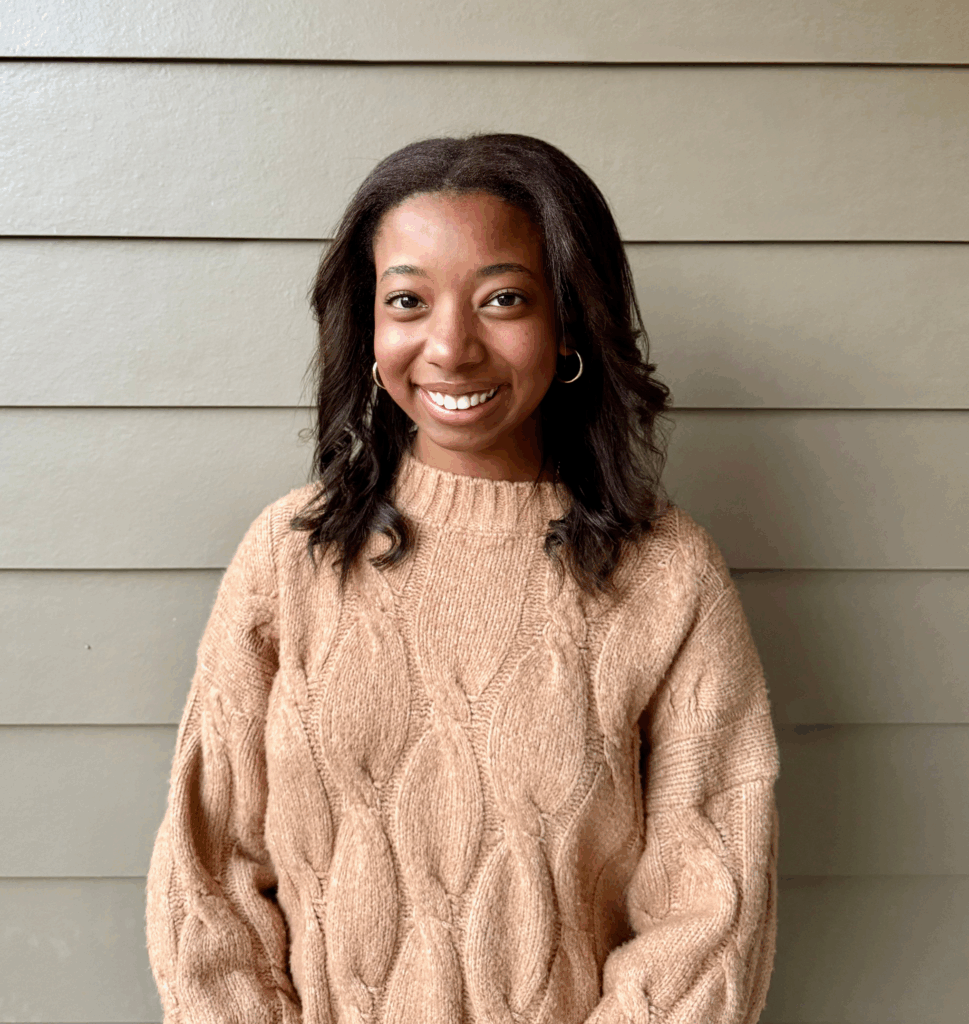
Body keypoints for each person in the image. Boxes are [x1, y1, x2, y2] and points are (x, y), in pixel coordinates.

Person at [145, 133, 780, 1024]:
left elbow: (709, 914)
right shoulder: (288, 558)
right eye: (406, 300)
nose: (449, 346)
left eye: (502, 299)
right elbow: (206, 876)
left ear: (569, 320)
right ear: (368, 327)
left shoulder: (668, 578)